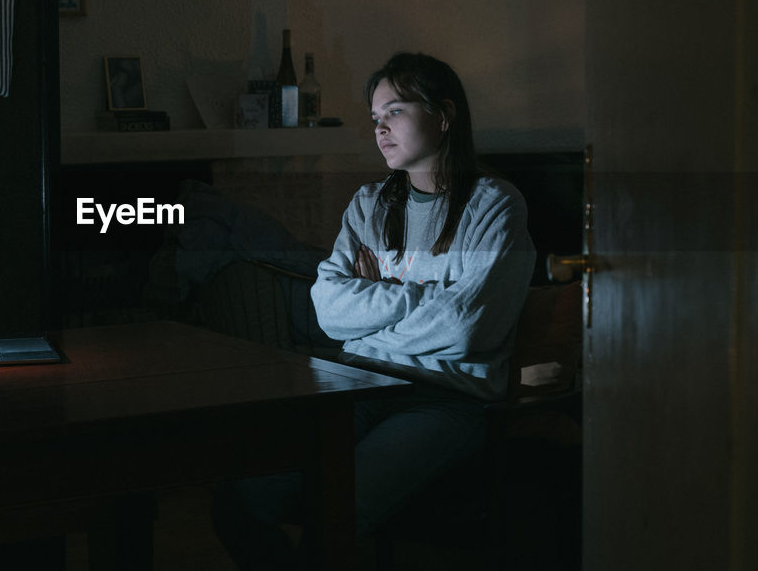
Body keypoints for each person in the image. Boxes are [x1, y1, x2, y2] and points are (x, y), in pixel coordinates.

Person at [212, 52, 536, 568]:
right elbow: (329, 310)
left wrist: (377, 301)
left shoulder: (494, 203)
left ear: (444, 115)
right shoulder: (369, 204)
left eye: (396, 112)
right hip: (356, 382)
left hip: (444, 398)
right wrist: (423, 296)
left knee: (338, 507)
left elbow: (468, 325)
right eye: (375, 119)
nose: (381, 129)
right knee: (238, 498)